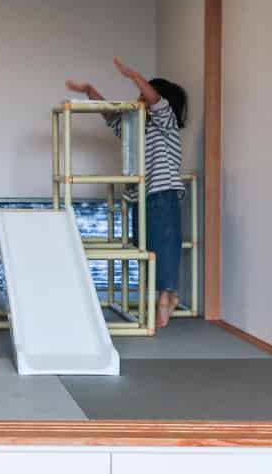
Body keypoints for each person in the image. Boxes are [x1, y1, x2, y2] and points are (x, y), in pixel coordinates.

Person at [64, 58, 189, 328]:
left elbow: (156, 101)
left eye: (142, 96)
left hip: (163, 193)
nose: (139, 101)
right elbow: (110, 115)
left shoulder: (165, 123)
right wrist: (89, 90)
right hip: (139, 198)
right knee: (145, 247)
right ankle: (163, 295)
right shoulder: (135, 128)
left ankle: (166, 295)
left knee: (165, 245)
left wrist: (134, 76)